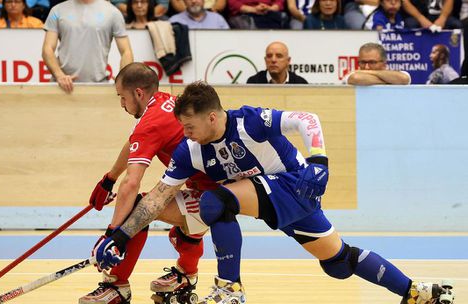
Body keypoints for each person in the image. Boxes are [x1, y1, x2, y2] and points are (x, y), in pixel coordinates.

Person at [93, 81, 455, 304]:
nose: (184, 135)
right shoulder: (191, 150)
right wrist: (121, 235)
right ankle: (413, 292)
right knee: (339, 262)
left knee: (215, 201)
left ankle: (230, 288)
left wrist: (320, 163)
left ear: (213, 118)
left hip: (296, 185)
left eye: (189, 127)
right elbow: (156, 196)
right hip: (270, 197)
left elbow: (307, 119)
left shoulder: (248, 121)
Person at [79, 63, 218, 304]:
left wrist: (112, 235)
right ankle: (186, 274)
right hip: (215, 186)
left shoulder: (151, 122)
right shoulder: (166, 102)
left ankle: (117, 286)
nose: (122, 104)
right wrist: (109, 179)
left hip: (218, 196)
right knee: (178, 227)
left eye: (122, 97)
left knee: (137, 209)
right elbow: (134, 140)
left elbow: (131, 183)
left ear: (139, 93)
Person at [42, 0, 133, 94]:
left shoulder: (113, 13)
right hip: (62, 87)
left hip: (98, 86)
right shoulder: (56, 11)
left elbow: (126, 51)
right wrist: (59, 76)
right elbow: (47, 49)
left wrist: (123, 78)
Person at [346, 42, 411, 85]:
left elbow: (404, 79)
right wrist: (390, 81)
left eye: (372, 62)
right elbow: (356, 78)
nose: (366, 67)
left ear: (384, 64)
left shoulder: (396, 74)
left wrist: (370, 73)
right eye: (363, 62)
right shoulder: (351, 75)